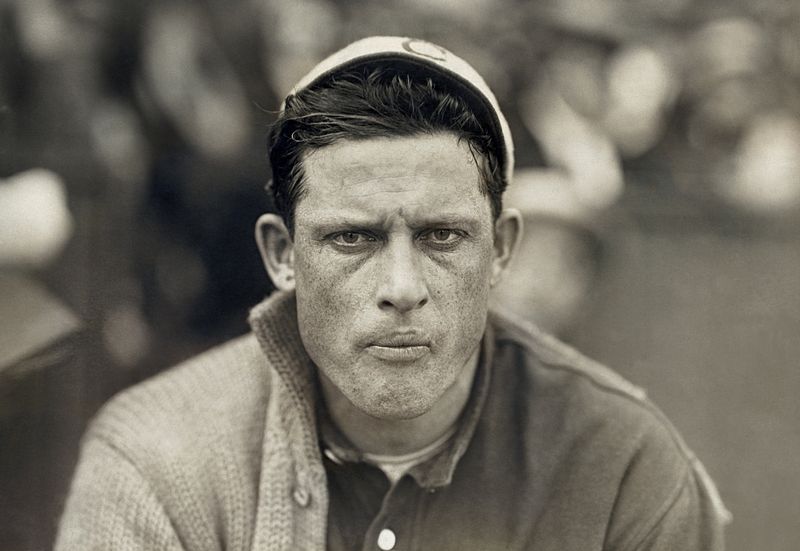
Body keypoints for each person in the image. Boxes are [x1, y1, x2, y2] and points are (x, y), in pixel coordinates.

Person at [56, 36, 730, 550]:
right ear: (282, 255)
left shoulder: (623, 463)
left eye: (442, 236)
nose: (402, 288)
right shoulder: (156, 454)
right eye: (352, 238)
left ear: (499, 249)